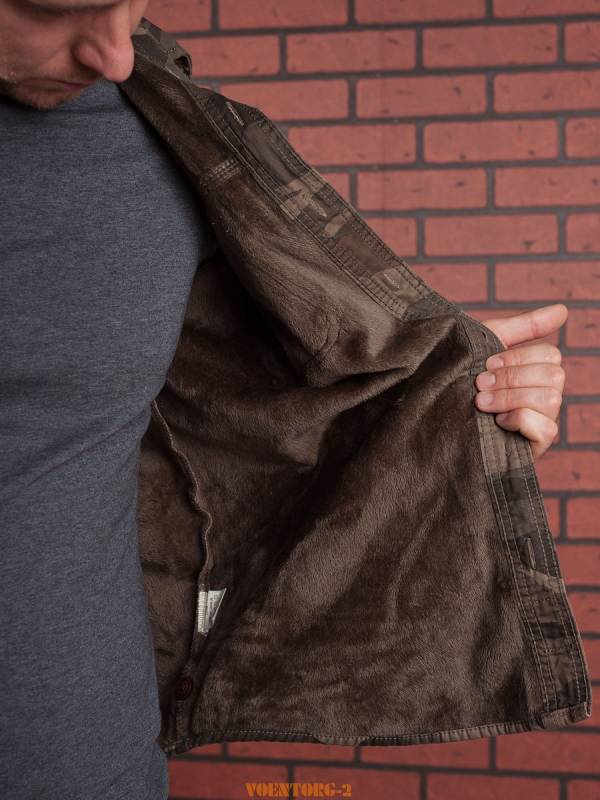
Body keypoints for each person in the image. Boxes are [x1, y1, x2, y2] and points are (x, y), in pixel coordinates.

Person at [0, 1, 568, 798]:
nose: (114, 55)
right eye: (53, 10)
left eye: (128, 4)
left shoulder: (163, 130)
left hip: (92, 765)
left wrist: (442, 398)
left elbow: (248, 414)